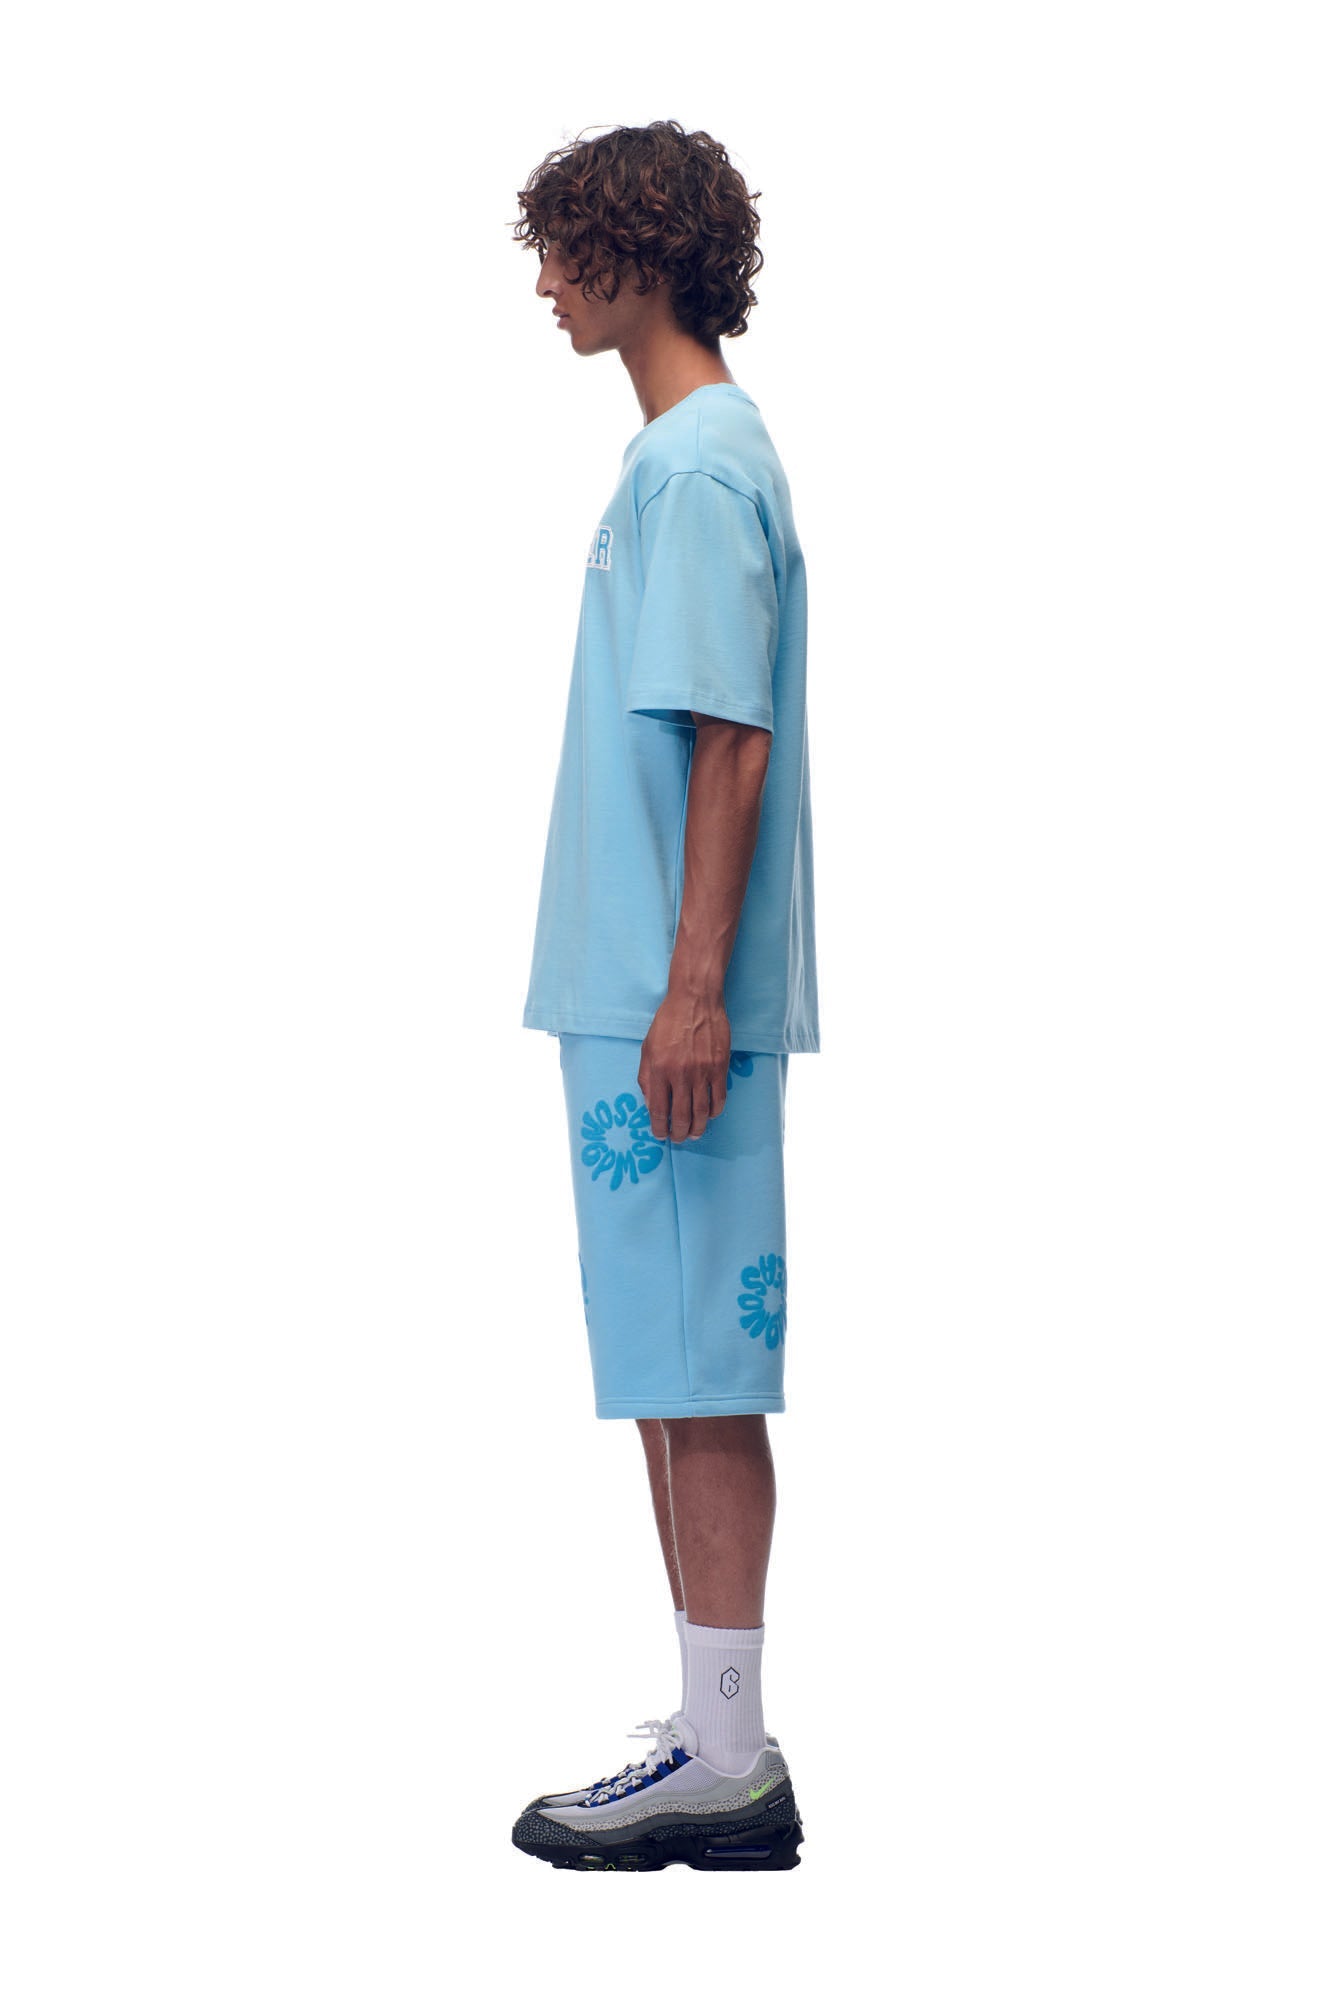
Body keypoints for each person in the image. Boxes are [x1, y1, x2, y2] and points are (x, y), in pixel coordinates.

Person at [508, 121, 820, 1873]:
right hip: (634, 993)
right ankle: (714, 1739)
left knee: (698, 1366)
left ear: (639, 253)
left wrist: (691, 990)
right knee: (667, 1361)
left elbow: (729, 739)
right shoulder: (679, 459)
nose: (546, 284)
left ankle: (730, 1760)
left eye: (566, 250)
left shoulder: (696, 468)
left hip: (664, 1005)